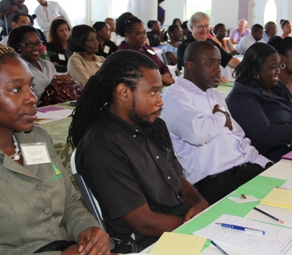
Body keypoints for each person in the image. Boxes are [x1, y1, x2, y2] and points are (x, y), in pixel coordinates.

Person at [0, 40, 112, 255]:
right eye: (16, 89)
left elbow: (69, 201)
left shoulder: (36, 138)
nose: (31, 97)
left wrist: (88, 229)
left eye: (30, 86)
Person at [68, 51, 208, 249]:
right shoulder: (102, 147)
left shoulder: (154, 126)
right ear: (124, 93)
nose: (160, 101)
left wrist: (201, 204)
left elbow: (178, 180)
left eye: (160, 92)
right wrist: (197, 226)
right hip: (148, 241)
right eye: (153, 92)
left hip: (181, 223)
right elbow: (143, 222)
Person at [162, 41, 272, 204]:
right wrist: (220, 117)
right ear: (190, 66)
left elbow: (238, 139)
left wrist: (266, 163)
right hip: (214, 181)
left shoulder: (213, 95)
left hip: (244, 169)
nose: (217, 69)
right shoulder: (175, 95)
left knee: (286, 192)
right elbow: (197, 134)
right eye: (210, 63)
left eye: (219, 63)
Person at [226, 43, 292, 162]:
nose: (278, 71)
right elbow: (265, 134)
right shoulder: (242, 96)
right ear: (255, 69)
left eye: (279, 66)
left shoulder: (277, 86)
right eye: (273, 67)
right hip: (268, 158)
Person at [8, 25, 71, 103]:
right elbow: (23, 101)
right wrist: (51, 88)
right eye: (29, 44)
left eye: (38, 43)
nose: (35, 48)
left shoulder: (48, 65)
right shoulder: (16, 69)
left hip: (57, 110)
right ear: (18, 46)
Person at [116, 14, 174, 86]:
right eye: (138, 33)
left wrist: (167, 75)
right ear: (127, 34)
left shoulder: (146, 48)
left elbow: (162, 66)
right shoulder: (123, 53)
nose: (143, 36)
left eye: (144, 32)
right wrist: (161, 78)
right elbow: (138, 78)